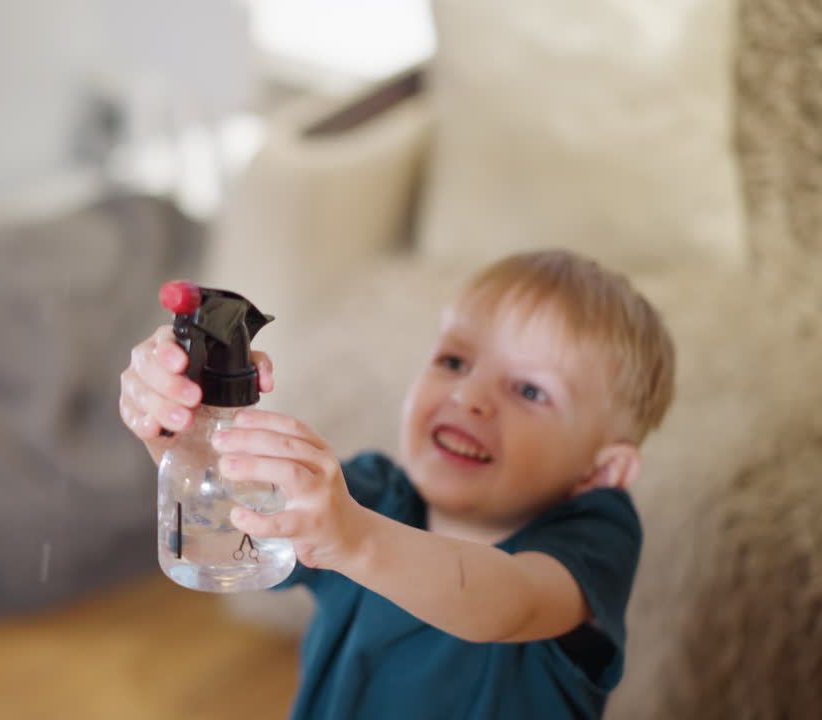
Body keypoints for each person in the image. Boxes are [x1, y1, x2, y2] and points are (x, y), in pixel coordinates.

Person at [118, 249, 676, 719]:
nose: (469, 396)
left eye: (530, 391)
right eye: (455, 361)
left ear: (600, 472)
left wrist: (355, 539)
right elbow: (232, 529)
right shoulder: (372, 493)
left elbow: (506, 604)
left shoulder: (594, 538)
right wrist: (184, 430)